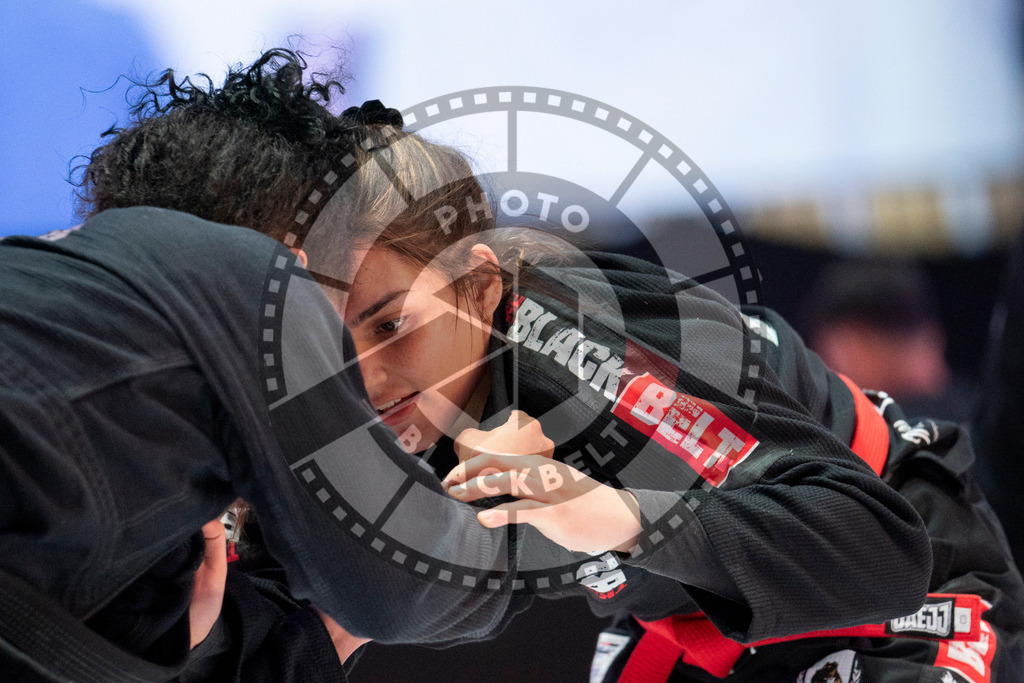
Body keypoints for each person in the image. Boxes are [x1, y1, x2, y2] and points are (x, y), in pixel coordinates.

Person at [324, 118, 1024, 680]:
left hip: (902, 580)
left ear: (479, 289)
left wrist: (602, 509)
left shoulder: (588, 356)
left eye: (391, 325)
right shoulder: (363, 402)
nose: (365, 376)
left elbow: (881, 548)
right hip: (690, 624)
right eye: (331, 336)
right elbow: (350, 616)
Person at [0, 49, 540, 682]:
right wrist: (517, 499)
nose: (353, 366)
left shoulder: (60, 294)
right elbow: (403, 590)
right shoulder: (243, 280)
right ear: (297, 253)